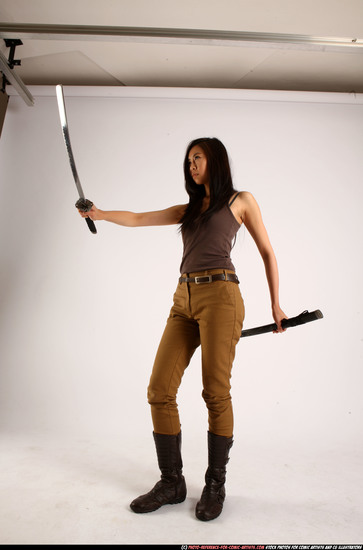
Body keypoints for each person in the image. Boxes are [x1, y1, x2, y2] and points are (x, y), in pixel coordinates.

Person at [78, 137, 287, 521]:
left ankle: (215, 485)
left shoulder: (241, 200)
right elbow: (141, 218)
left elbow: (267, 252)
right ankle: (172, 482)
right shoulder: (190, 209)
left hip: (222, 297)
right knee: (159, 389)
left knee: (215, 391)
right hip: (183, 299)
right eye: (188, 160)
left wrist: (275, 304)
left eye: (198, 158)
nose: (191, 165)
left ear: (215, 161)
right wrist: (101, 214)